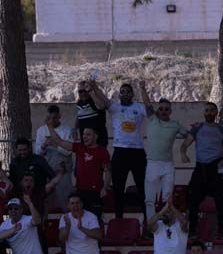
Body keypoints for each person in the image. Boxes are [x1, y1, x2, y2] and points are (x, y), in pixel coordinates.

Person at [181, 102, 223, 238]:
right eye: (207, 110)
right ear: (204, 113)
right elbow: (185, 143)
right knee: (193, 200)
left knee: (219, 201)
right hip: (200, 167)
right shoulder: (197, 128)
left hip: (215, 167)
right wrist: (183, 153)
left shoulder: (222, 130)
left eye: (212, 110)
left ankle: (222, 232)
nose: (209, 113)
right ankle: (192, 231)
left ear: (216, 113)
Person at [108, 81, 150, 221]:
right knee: (118, 188)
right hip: (120, 151)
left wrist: (143, 89)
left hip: (137, 152)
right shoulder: (115, 107)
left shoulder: (139, 107)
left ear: (132, 94)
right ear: (119, 95)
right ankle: (119, 220)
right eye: (122, 92)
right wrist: (93, 87)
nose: (125, 94)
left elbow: (150, 110)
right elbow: (103, 102)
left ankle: (148, 221)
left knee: (143, 187)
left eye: (128, 91)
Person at [142, 91, 190, 213]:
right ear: (158, 110)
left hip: (168, 165)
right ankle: (152, 223)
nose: (163, 111)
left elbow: (189, 136)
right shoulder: (152, 119)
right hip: (152, 164)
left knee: (167, 198)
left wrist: (183, 151)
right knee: (149, 199)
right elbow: (147, 103)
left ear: (170, 111)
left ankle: (166, 222)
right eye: (161, 109)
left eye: (166, 109)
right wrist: (142, 88)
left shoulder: (175, 124)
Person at [52, 127, 110, 220]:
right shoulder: (79, 147)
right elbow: (59, 141)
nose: (84, 137)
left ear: (96, 136)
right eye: (83, 134)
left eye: (88, 134)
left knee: (95, 219)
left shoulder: (102, 151)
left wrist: (105, 188)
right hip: (80, 191)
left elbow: (107, 171)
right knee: (80, 218)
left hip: (96, 192)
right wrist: (50, 126)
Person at [35, 105, 74, 207]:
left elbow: (68, 152)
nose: (52, 121)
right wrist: (43, 146)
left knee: (66, 198)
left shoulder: (67, 130)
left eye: (54, 118)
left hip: (63, 170)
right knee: (45, 200)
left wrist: (56, 145)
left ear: (59, 116)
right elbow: (37, 152)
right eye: (49, 118)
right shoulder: (41, 131)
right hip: (46, 170)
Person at [74, 79, 110, 147]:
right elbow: (79, 116)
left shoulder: (94, 101)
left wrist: (90, 91)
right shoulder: (79, 103)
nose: (83, 93)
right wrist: (75, 129)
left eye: (85, 91)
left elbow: (102, 106)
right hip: (85, 142)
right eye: (80, 91)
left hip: (98, 143)